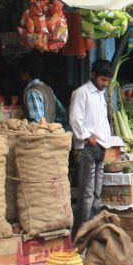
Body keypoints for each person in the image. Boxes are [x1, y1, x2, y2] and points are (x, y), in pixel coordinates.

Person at [69, 59, 114, 229]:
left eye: (107, 81)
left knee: (96, 192)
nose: (104, 84)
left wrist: (103, 142)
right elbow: (75, 119)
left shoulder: (100, 94)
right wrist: (89, 138)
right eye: (102, 79)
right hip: (87, 147)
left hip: (100, 146)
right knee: (87, 193)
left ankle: (94, 228)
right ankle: (82, 231)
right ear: (93, 75)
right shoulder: (81, 93)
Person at [18, 54, 67, 125]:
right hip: (50, 133)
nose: (19, 75)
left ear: (26, 74)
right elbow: (62, 112)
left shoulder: (32, 93)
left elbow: (36, 123)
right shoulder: (47, 88)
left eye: (20, 72)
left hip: (42, 134)